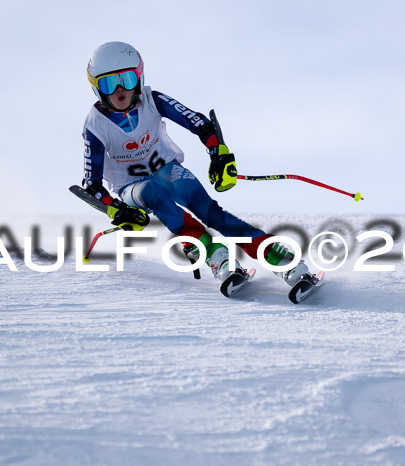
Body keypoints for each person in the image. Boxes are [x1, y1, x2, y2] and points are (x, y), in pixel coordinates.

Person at [81, 41, 309, 285]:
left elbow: (199, 123)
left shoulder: (153, 101)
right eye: (108, 83)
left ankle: (278, 257)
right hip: (132, 190)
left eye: (125, 79)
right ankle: (216, 256)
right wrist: (116, 208)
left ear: (138, 77)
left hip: (167, 171)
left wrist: (219, 154)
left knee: (210, 212)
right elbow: (91, 184)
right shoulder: (95, 126)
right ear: (97, 88)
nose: (119, 89)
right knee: (151, 191)